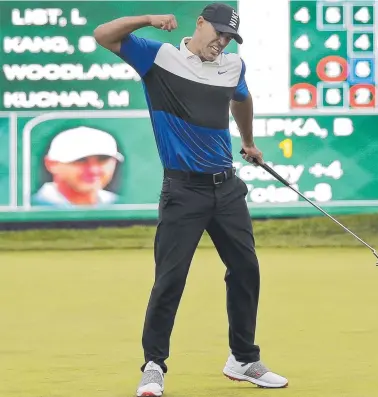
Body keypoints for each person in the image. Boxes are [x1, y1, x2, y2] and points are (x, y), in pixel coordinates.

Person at [93, 3, 288, 396]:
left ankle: (244, 359)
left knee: (246, 269)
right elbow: (104, 35)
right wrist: (147, 19)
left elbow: (242, 98)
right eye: (217, 32)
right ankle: (153, 366)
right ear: (199, 24)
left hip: (227, 189)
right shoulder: (157, 56)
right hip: (183, 191)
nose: (222, 42)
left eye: (229, 37)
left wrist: (248, 141)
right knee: (170, 279)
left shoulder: (234, 66)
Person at [32, 126, 123, 207]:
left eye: (103, 159)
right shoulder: (34, 206)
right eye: (80, 160)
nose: (93, 170)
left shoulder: (116, 203)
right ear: (51, 164)